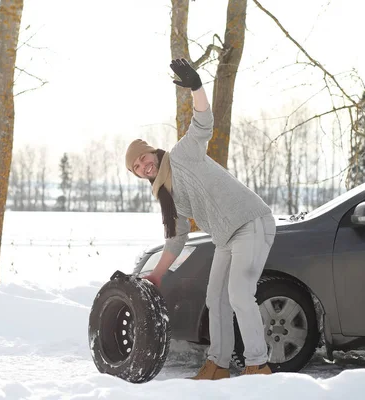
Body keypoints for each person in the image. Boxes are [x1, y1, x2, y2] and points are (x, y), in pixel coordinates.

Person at [125, 58, 277, 379]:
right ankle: (218, 364)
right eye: (136, 167)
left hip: (250, 221)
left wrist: (196, 86)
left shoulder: (182, 153)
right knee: (215, 298)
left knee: (238, 294)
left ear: (152, 152)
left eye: (143, 158)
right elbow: (176, 238)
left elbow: (203, 122)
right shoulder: (165, 197)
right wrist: (157, 276)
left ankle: (258, 364)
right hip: (226, 237)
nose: (143, 166)